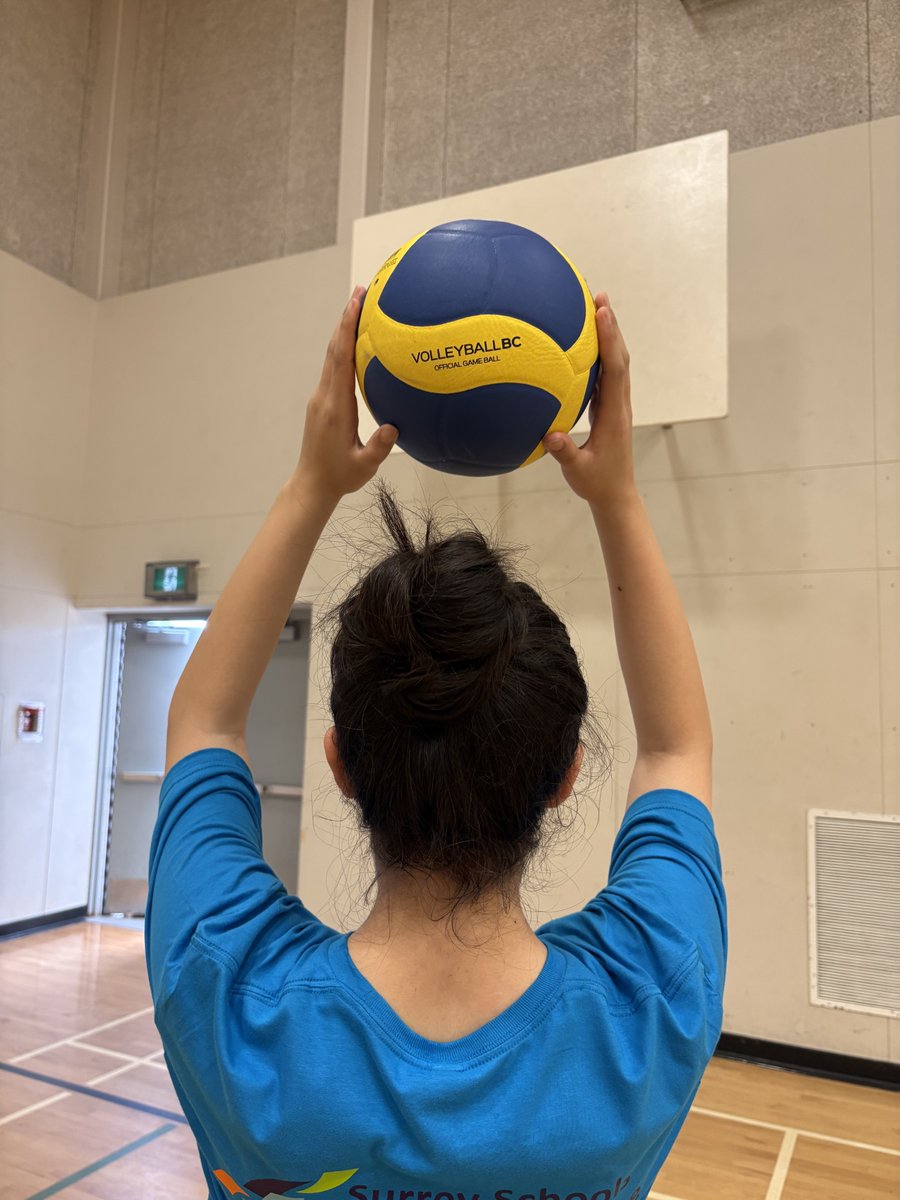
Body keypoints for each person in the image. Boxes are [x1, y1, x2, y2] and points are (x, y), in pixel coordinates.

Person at [146, 289, 727, 1200]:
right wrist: (615, 495)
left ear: (340, 767)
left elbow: (203, 725)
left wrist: (310, 487)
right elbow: (675, 751)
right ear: (566, 776)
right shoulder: (647, 1004)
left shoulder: (228, 992)